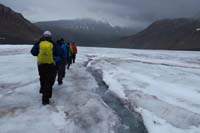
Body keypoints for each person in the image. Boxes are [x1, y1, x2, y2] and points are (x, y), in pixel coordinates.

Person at [31, 31, 57, 105]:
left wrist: (41, 54)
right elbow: (57, 53)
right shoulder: (53, 43)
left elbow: (33, 52)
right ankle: (45, 99)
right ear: (50, 36)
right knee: (48, 80)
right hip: (50, 64)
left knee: (42, 77)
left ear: (43, 35)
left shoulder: (39, 43)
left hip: (40, 64)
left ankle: (42, 90)